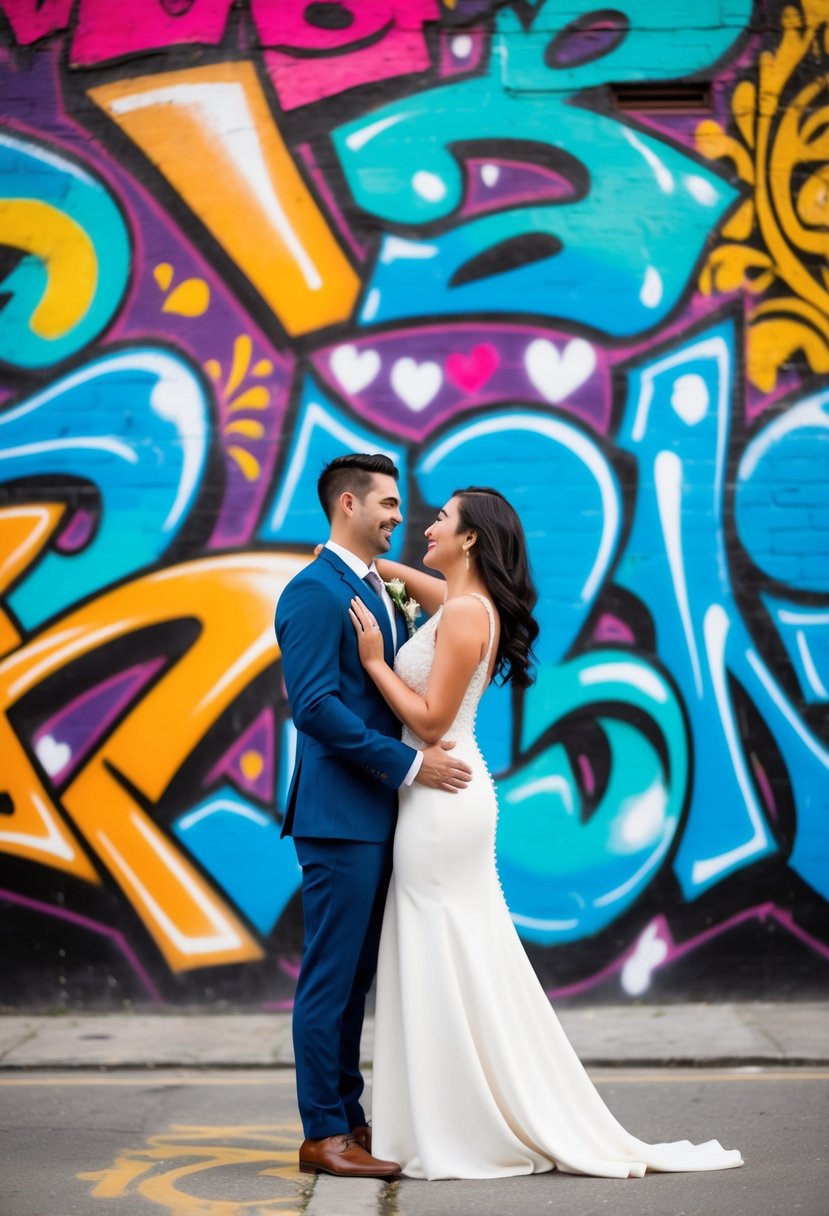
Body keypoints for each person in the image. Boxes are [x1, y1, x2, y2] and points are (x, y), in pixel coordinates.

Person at [348, 486, 744, 1181]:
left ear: (469, 539)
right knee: (455, 952)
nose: (427, 526)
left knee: (442, 950)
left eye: (441, 519)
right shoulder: (466, 605)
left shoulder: (468, 613)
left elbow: (433, 720)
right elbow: (434, 592)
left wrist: (378, 659)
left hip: (441, 796)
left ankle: (453, 1123)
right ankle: (453, 1112)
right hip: (444, 798)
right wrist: (377, 570)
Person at [274, 453, 473, 1180]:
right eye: (386, 504)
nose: (398, 516)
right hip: (339, 818)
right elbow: (315, 707)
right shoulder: (312, 592)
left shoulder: (371, 586)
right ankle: (321, 1132)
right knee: (330, 978)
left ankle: (349, 1118)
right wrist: (410, 765)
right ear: (348, 504)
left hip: (374, 816)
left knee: (355, 978)